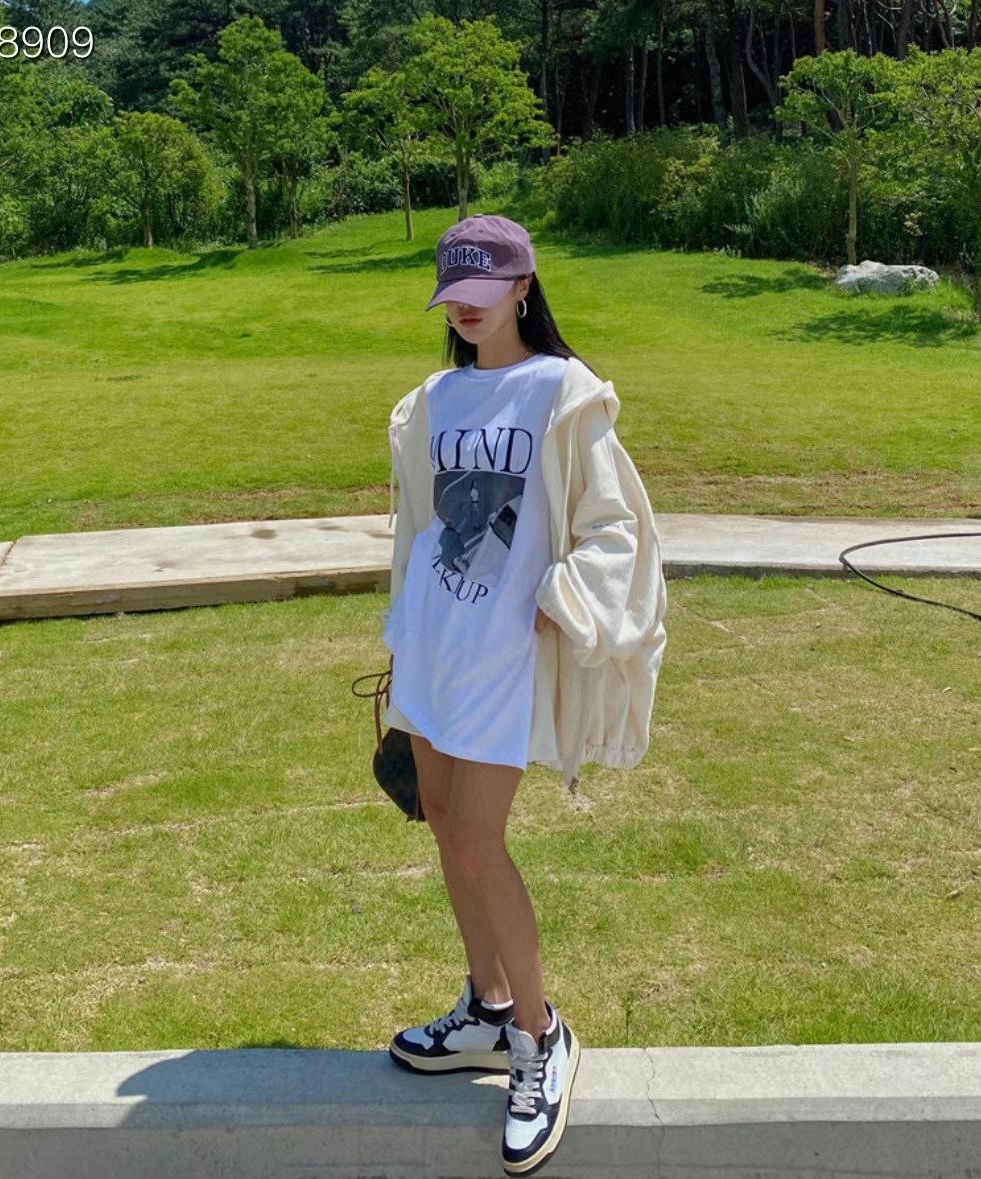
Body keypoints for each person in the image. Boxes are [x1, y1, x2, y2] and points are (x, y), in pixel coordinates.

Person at [380, 214, 668, 1177]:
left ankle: (540, 1037)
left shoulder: (562, 390)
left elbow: (616, 525)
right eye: (451, 294)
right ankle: (487, 1003)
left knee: (477, 839)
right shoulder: (431, 400)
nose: (464, 308)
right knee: (439, 821)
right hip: (435, 644)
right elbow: (421, 529)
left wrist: (566, 594)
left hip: (504, 656)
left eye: (482, 290)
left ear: (522, 289)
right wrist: (400, 636)